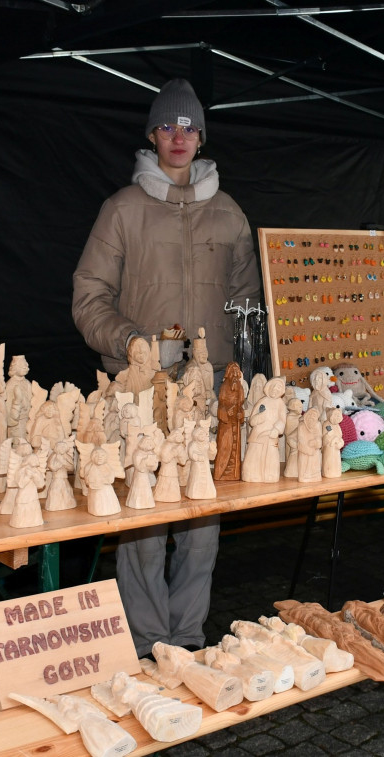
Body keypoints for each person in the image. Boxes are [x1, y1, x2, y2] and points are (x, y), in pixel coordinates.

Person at [71, 78, 262, 657]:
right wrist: (130, 341)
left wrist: (244, 378)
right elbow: (89, 296)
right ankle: (149, 642)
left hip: (206, 393)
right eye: (167, 126)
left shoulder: (230, 215)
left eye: (188, 127)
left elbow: (247, 306)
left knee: (203, 522)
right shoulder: (122, 210)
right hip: (139, 391)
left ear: (202, 137)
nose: (178, 137)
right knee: (144, 525)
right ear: (151, 134)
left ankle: (188, 638)